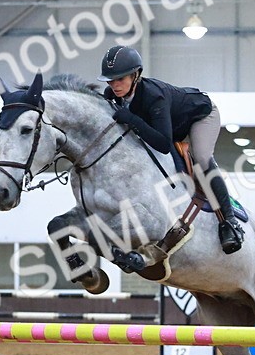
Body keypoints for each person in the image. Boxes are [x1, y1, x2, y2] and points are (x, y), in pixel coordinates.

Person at [97, 45, 243, 254]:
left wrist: (131, 119)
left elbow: (164, 144)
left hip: (200, 116)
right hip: (170, 125)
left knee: (201, 157)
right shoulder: (112, 94)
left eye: (120, 79)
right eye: (110, 80)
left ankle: (229, 223)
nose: (115, 85)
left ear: (135, 75)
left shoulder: (154, 97)